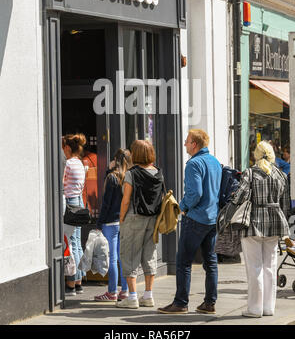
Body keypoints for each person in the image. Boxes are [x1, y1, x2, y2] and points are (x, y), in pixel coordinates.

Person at [158, 129, 222, 315]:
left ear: (194, 144)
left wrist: (182, 206)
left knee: (183, 262)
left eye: (187, 141)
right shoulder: (214, 162)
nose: (185, 144)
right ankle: (209, 303)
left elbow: (195, 194)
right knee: (210, 262)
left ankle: (180, 303)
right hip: (212, 218)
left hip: (195, 218)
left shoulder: (194, 164)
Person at [233, 140, 291, 318]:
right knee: (270, 267)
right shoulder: (281, 175)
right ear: (273, 155)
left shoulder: (250, 173)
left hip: (253, 223)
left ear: (255, 155)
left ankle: (254, 309)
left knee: (254, 267)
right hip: (275, 222)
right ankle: (268, 308)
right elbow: (285, 205)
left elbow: (240, 197)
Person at [117, 140, 165, 309]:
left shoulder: (132, 173)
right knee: (149, 255)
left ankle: (132, 297)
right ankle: (148, 296)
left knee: (129, 256)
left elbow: (126, 200)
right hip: (152, 220)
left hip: (134, 218)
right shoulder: (158, 173)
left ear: (136, 154)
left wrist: (122, 218)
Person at [94, 149, 132, 302]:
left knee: (112, 258)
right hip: (123, 222)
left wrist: (99, 223)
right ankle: (125, 290)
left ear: (115, 160)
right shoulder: (129, 177)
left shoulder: (112, 178)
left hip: (110, 223)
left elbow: (106, 204)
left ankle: (111, 292)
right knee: (122, 258)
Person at [62, 133, 87, 296]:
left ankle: (71, 283)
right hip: (79, 201)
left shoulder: (68, 163)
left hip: (70, 202)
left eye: (64, 147)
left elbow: (62, 183)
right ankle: (78, 282)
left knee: (70, 243)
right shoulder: (79, 163)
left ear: (68, 148)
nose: (62, 150)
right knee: (77, 242)